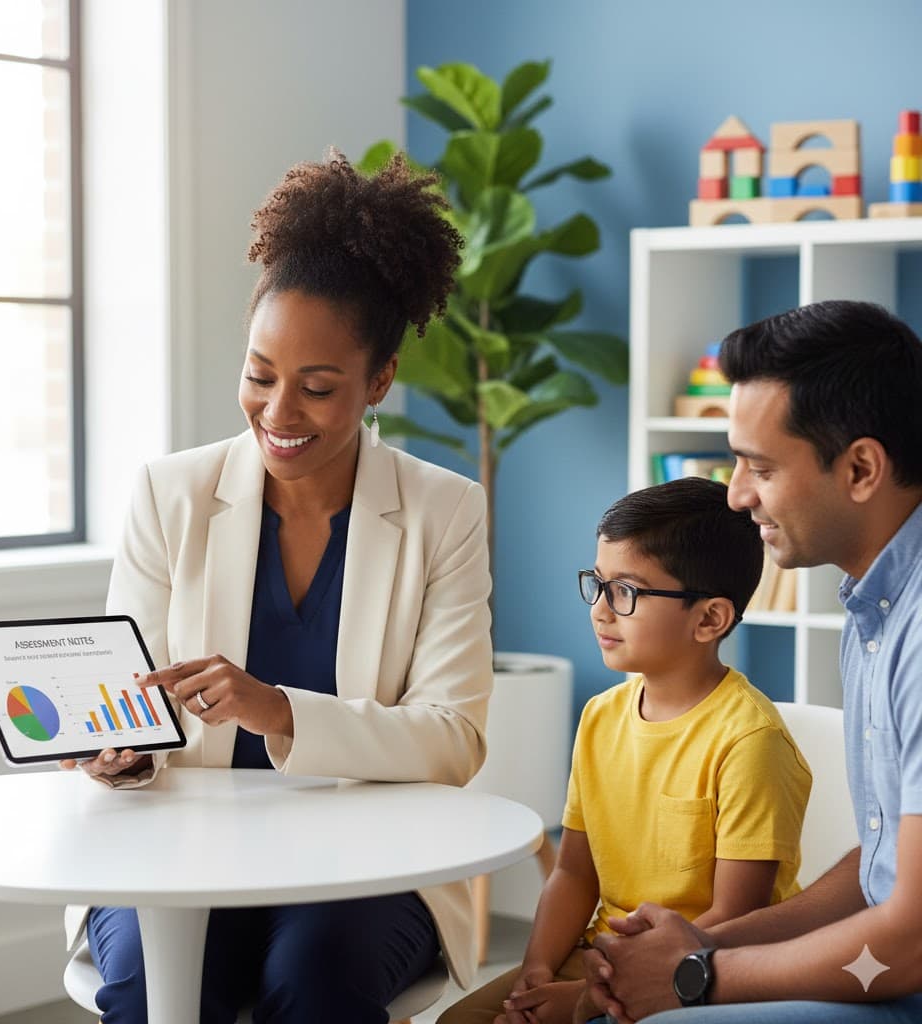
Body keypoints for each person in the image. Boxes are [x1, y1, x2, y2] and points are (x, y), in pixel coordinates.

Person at [58, 151, 494, 1024]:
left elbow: (453, 740)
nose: (278, 412)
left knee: (316, 978)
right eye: (260, 376)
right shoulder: (169, 494)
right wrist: (116, 750)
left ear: (377, 383)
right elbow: (123, 698)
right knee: (159, 985)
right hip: (181, 847)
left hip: (368, 857)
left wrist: (278, 711)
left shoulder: (445, 511)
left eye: (318, 387)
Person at [586, 299, 922, 1024]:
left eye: (758, 467)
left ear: (862, 467)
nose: (737, 497)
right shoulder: (876, 606)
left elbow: (910, 941)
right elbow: (882, 873)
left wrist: (698, 977)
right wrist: (701, 947)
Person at [439, 476, 811, 1024]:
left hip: (699, 971)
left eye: (627, 592)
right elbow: (574, 874)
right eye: (599, 583)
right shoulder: (600, 716)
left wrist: (588, 1001)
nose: (601, 610)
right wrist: (537, 970)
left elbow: (732, 917)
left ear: (710, 618)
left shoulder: (749, 742)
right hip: (600, 957)